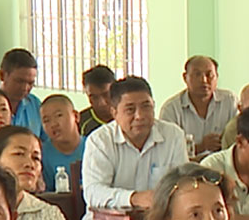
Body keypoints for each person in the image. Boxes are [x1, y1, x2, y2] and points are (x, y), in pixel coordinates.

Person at [80, 76, 188, 211]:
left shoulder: (173, 135)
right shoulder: (100, 141)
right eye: (130, 109)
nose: (140, 116)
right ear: (114, 113)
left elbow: (183, 183)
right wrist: (134, 198)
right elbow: (93, 193)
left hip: (159, 218)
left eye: (146, 106)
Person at [159, 55, 235, 157]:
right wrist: (200, 147)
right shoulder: (171, 109)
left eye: (209, 75)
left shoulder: (230, 101)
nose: (204, 80)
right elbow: (167, 150)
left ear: (217, 76)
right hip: (186, 166)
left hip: (223, 164)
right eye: (197, 74)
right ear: (185, 77)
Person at [0, 48, 45, 141]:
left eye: (30, 83)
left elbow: (47, 142)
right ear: (2, 75)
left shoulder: (36, 105)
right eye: (19, 81)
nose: (25, 88)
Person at [41, 94, 87, 181]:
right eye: (46, 120)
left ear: (75, 116)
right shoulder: (41, 155)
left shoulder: (94, 147)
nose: (53, 124)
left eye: (59, 115)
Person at [79, 64, 119, 136]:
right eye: (93, 97)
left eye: (106, 94)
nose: (102, 103)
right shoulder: (80, 123)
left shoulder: (129, 117)